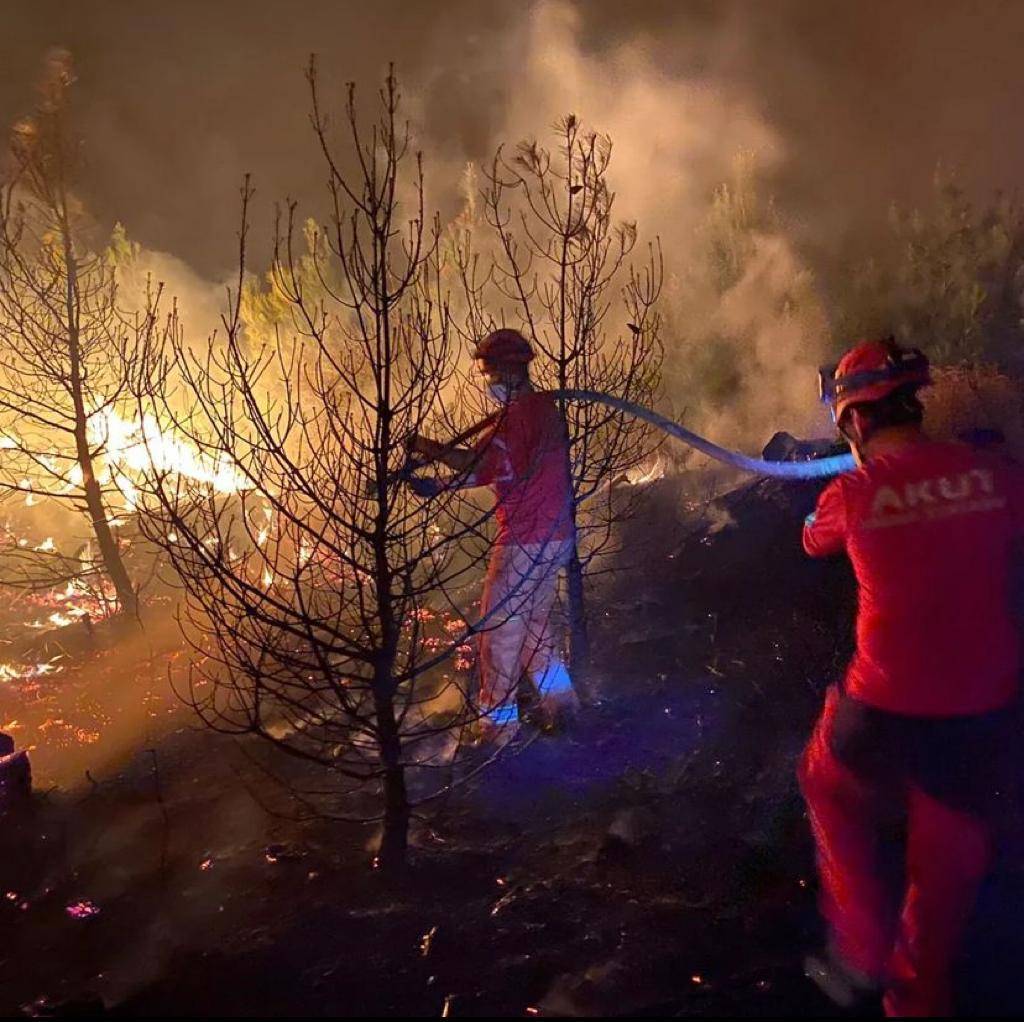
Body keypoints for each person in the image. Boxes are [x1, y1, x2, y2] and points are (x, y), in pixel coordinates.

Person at [800, 337, 1023, 1016]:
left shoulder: (852, 490)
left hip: (882, 709)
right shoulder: (996, 475)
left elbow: (813, 537)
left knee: (826, 783)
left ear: (857, 422)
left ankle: (861, 951)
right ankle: (915, 991)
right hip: (984, 711)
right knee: (943, 866)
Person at [408, 328, 577, 737]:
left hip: (525, 540)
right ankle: (564, 708)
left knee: (499, 634)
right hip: (555, 535)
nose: (490, 384)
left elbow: (480, 465)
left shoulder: (519, 418)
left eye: (491, 375)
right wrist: (439, 476)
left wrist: (429, 454)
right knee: (534, 625)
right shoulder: (542, 412)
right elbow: (501, 468)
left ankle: (497, 731)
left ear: (509, 370)